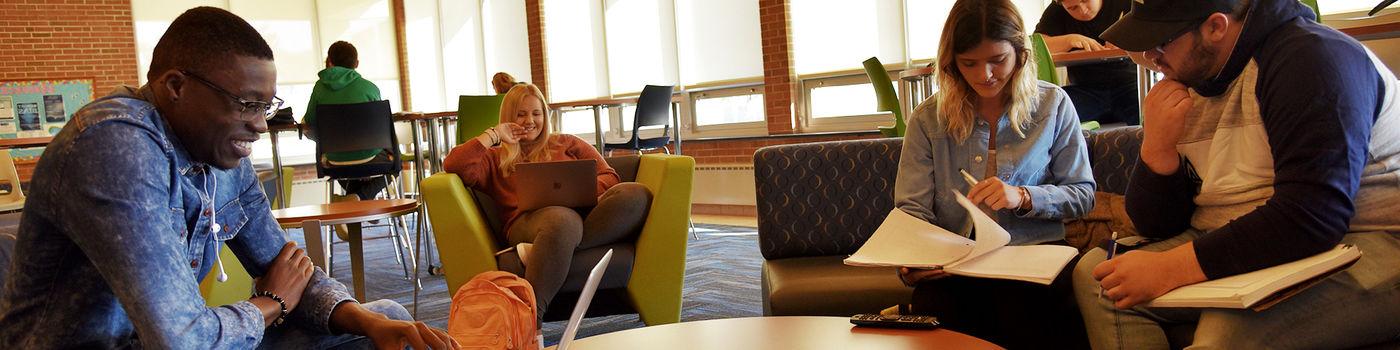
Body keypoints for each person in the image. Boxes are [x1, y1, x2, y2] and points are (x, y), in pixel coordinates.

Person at [0, 7, 456, 349]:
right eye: (247, 104)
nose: (261, 124)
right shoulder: (115, 145)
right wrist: (272, 303)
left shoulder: (221, 159)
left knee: (385, 321)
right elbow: (180, 340)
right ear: (176, 86)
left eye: (267, 106)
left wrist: (359, 316)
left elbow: (291, 267)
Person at [1073, 0, 1400, 348]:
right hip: (1250, 230)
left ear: (1215, 27)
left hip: (1370, 236)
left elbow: (1314, 216)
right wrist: (1157, 149)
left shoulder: (1311, 58)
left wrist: (1170, 269)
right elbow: (1157, 225)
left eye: (1161, 40)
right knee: (1100, 280)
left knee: (1226, 335)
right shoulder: (1192, 78)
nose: (1150, 55)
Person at [893, 0, 1095, 348]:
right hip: (955, 263)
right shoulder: (928, 119)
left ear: (1020, 54)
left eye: (997, 61)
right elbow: (912, 209)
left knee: (1025, 308)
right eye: (969, 63)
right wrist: (912, 259)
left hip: (1033, 255)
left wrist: (1024, 196)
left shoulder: (1053, 105)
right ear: (952, 63)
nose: (983, 74)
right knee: (936, 307)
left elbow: (1083, 193)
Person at [443, 83, 652, 317]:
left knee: (636, 194)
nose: (529, 121)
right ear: (507, 118)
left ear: (545, 114)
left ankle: (549, 246)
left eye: (536, 113)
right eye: (520, 114)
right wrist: (492, 135)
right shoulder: (494, 158)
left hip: (579, 216)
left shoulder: (567, 143)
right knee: (562, 220)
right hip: (525, 223)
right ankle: (532, 317)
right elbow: (454, 165)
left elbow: (609, 177)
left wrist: (577, 193)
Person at [303, 40, 388, 202]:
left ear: (329, 62)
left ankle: (355, 203)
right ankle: (362, 199)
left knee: (345, 167)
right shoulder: (370, 88)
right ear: (356, 63)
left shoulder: (319, 88)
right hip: (370, 156)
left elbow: (309, 123)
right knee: (394, 166)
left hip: (334, 159)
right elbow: (380, 128)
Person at [1034, 0, 1139, 125]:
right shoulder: (1056, 10)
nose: (1083, 10)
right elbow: (1035, 46)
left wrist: (1129, 38)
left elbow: (1154, 35)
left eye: (1085, 0)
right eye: (1073, 8)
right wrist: (1069, 40)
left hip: (1130, 85)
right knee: (1046, 112)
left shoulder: (1127, 3)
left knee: (1150, 114)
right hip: (1086, 90)